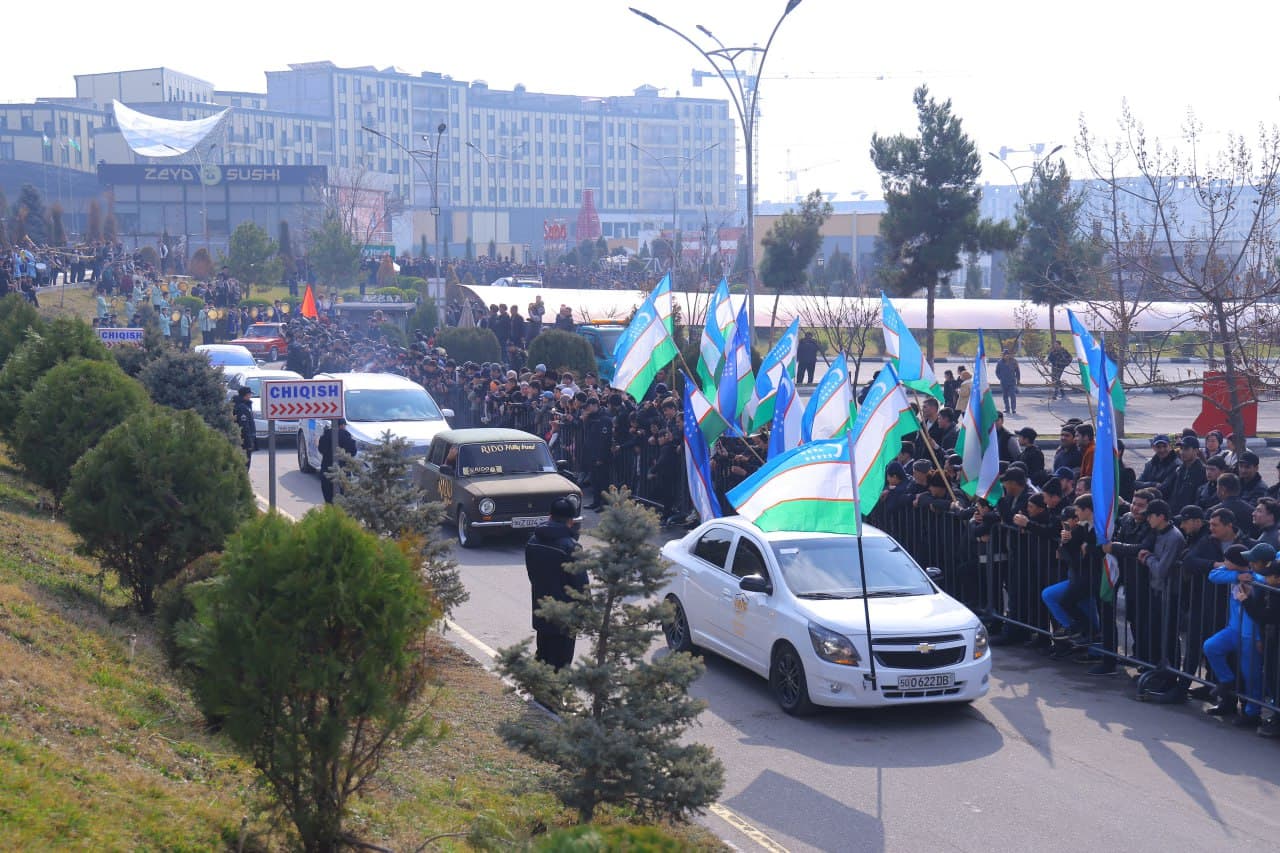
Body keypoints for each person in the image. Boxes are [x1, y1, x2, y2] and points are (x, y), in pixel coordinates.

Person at [524, 497, 585, 671]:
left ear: (549, 516)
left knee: (542, 656)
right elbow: (581, 586)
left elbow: (532, 575)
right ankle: (555, 688)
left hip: (541, 610)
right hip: (566, 617)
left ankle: (538, 687)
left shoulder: (533, 541)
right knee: (562, 662)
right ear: (571, 521)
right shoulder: (571, 548)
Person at [318, 418, 358, 504]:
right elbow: (353, 452)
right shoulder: (346, 435)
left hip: (327, 470)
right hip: (343, 471)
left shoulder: (326, 435)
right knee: (342, 499)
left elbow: (321, 449)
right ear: (342, 425)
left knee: (328, 498)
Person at [233, 386, 256, 470]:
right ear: (246, 395)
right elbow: (244, 426)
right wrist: (249, 442)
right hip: (244, 441)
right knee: (245, 463)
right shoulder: (242, 408)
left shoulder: (244, 405)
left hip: (243, 439)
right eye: (249, 394)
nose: (250, 396)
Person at [995, 349, 1021, 415]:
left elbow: (1017, 371)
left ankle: (1013, 409)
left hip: (1012, 381)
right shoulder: (1000, 362)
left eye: (1007, 355)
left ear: (1009, 355)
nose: (1006, 356)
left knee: (1012, 395)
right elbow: (997, 371)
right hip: (1004, 382)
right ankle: (1007, 409)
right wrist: (1000, 377)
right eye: (1005, 355)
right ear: (1003, 355)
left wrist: (1018, 380)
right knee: (1005, 396)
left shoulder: (1014, 361)